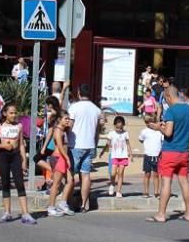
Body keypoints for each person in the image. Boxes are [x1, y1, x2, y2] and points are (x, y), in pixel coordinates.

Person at [145, 86, 189, 223]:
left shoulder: (170, 111)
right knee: (184, 182)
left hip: (170, 151)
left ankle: (161, 214)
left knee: (166, 182)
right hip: (184, 151)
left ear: (168, 96)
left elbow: (168, 133)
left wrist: (158, 127)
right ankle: (188, 213)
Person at [0, 103, 36, 225]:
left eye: (15, 113)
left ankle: (26, 213)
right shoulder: (0, 126)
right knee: (5, 183)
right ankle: (7, 212)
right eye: (11, 113)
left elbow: (21, 144)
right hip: (3, 156)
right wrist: (3, 146)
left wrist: (24, 161)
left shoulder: (19, 126)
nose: (14, 115)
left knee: (20, 184)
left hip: (15, 156)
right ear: (5, 113)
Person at [67, 83, 103, 213]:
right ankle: (84, 204)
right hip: (90, 145)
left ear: (78, 93)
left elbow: (69, 125)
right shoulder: (97, 110)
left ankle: (68, 202)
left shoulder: (74, 107)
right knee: (86, 174)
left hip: (75, 145)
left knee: (71, 175)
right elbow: (98, 130)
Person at [45, 114, 75, 217]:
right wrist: (67, 158)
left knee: (70, 180)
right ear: (59, 119)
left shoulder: (64, 131)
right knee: (56, 184)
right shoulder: (57, 131)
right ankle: (51, 207)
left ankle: (62, 204)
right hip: (58, 158)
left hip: (63, 158)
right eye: (65, 119)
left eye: (68, 118)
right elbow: (60, 146)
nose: (68, 120)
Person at [100, 116, 131, 198]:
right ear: (114, 126)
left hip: (123, 156)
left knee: (120, 174)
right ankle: (112, 184)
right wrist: (102, 152)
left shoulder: (125, 133)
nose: (119, 129)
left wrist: (130, 154)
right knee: (113, 173)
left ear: (123, 126)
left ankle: (119, 191)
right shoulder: (111, 133)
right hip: (114, 156)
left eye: (120, 128)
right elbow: (107, 144)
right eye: (117, 127)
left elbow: (128, 144)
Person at [139, 118, 163, 198]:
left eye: (152, 122)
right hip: (147, 155)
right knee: (147, 174)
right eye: (147, 122)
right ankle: (146, 192)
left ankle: (156, 192)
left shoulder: (159, 131)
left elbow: (163, 140)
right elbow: (141, 139)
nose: (150, 124)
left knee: (156, 175)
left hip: (157, 156)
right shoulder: (144, 131)